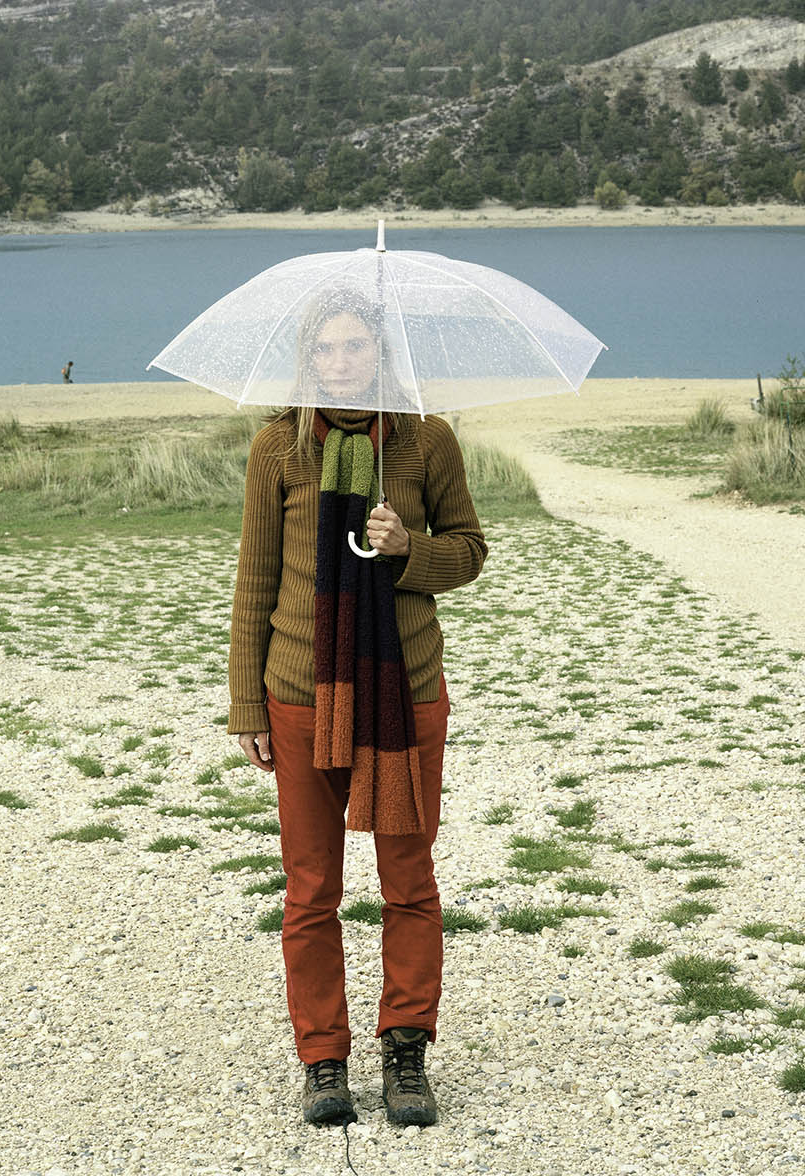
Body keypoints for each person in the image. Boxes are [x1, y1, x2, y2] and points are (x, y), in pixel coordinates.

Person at [228, 288, 487, 1128]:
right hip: (301, 696)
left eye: (357, 347)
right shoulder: (278, 448)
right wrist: (246, 705)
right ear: (308, 359)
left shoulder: (425, 442)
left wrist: (410, 548)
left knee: (409, 881)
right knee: (312, 890)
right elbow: (255, 583)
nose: (342, 363)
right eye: (327, 350)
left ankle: (406, 1053)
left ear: (383, 353)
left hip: (404, 694)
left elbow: (470, 554)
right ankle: (324, 1061)